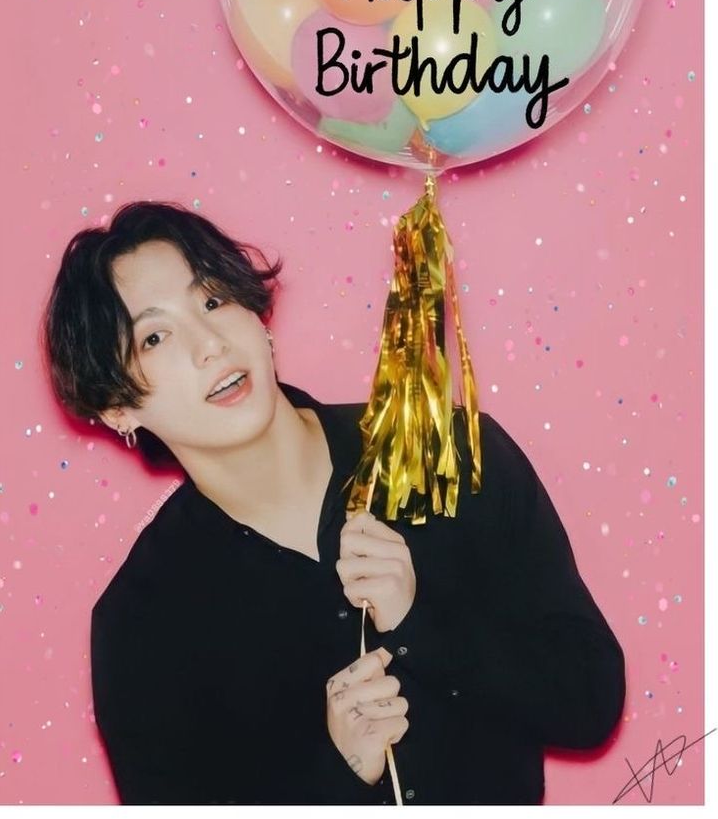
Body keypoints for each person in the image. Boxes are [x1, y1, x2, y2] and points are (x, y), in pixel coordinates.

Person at [40, 200, 625, 806]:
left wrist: (422, 625)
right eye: (156, 336)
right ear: (117, 409)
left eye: (213, 300)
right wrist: (340, 772)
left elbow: (590, 701)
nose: (210, 344)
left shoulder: (442, 453)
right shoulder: (143, 621)